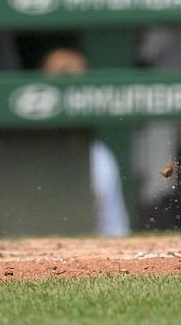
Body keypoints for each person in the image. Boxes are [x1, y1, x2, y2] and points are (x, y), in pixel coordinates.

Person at [40, 44, 131, 237]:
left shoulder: (99, 155)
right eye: (64, 72)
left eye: (79, 73)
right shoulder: (17, 152)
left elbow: (116, 231)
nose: (72, 78)